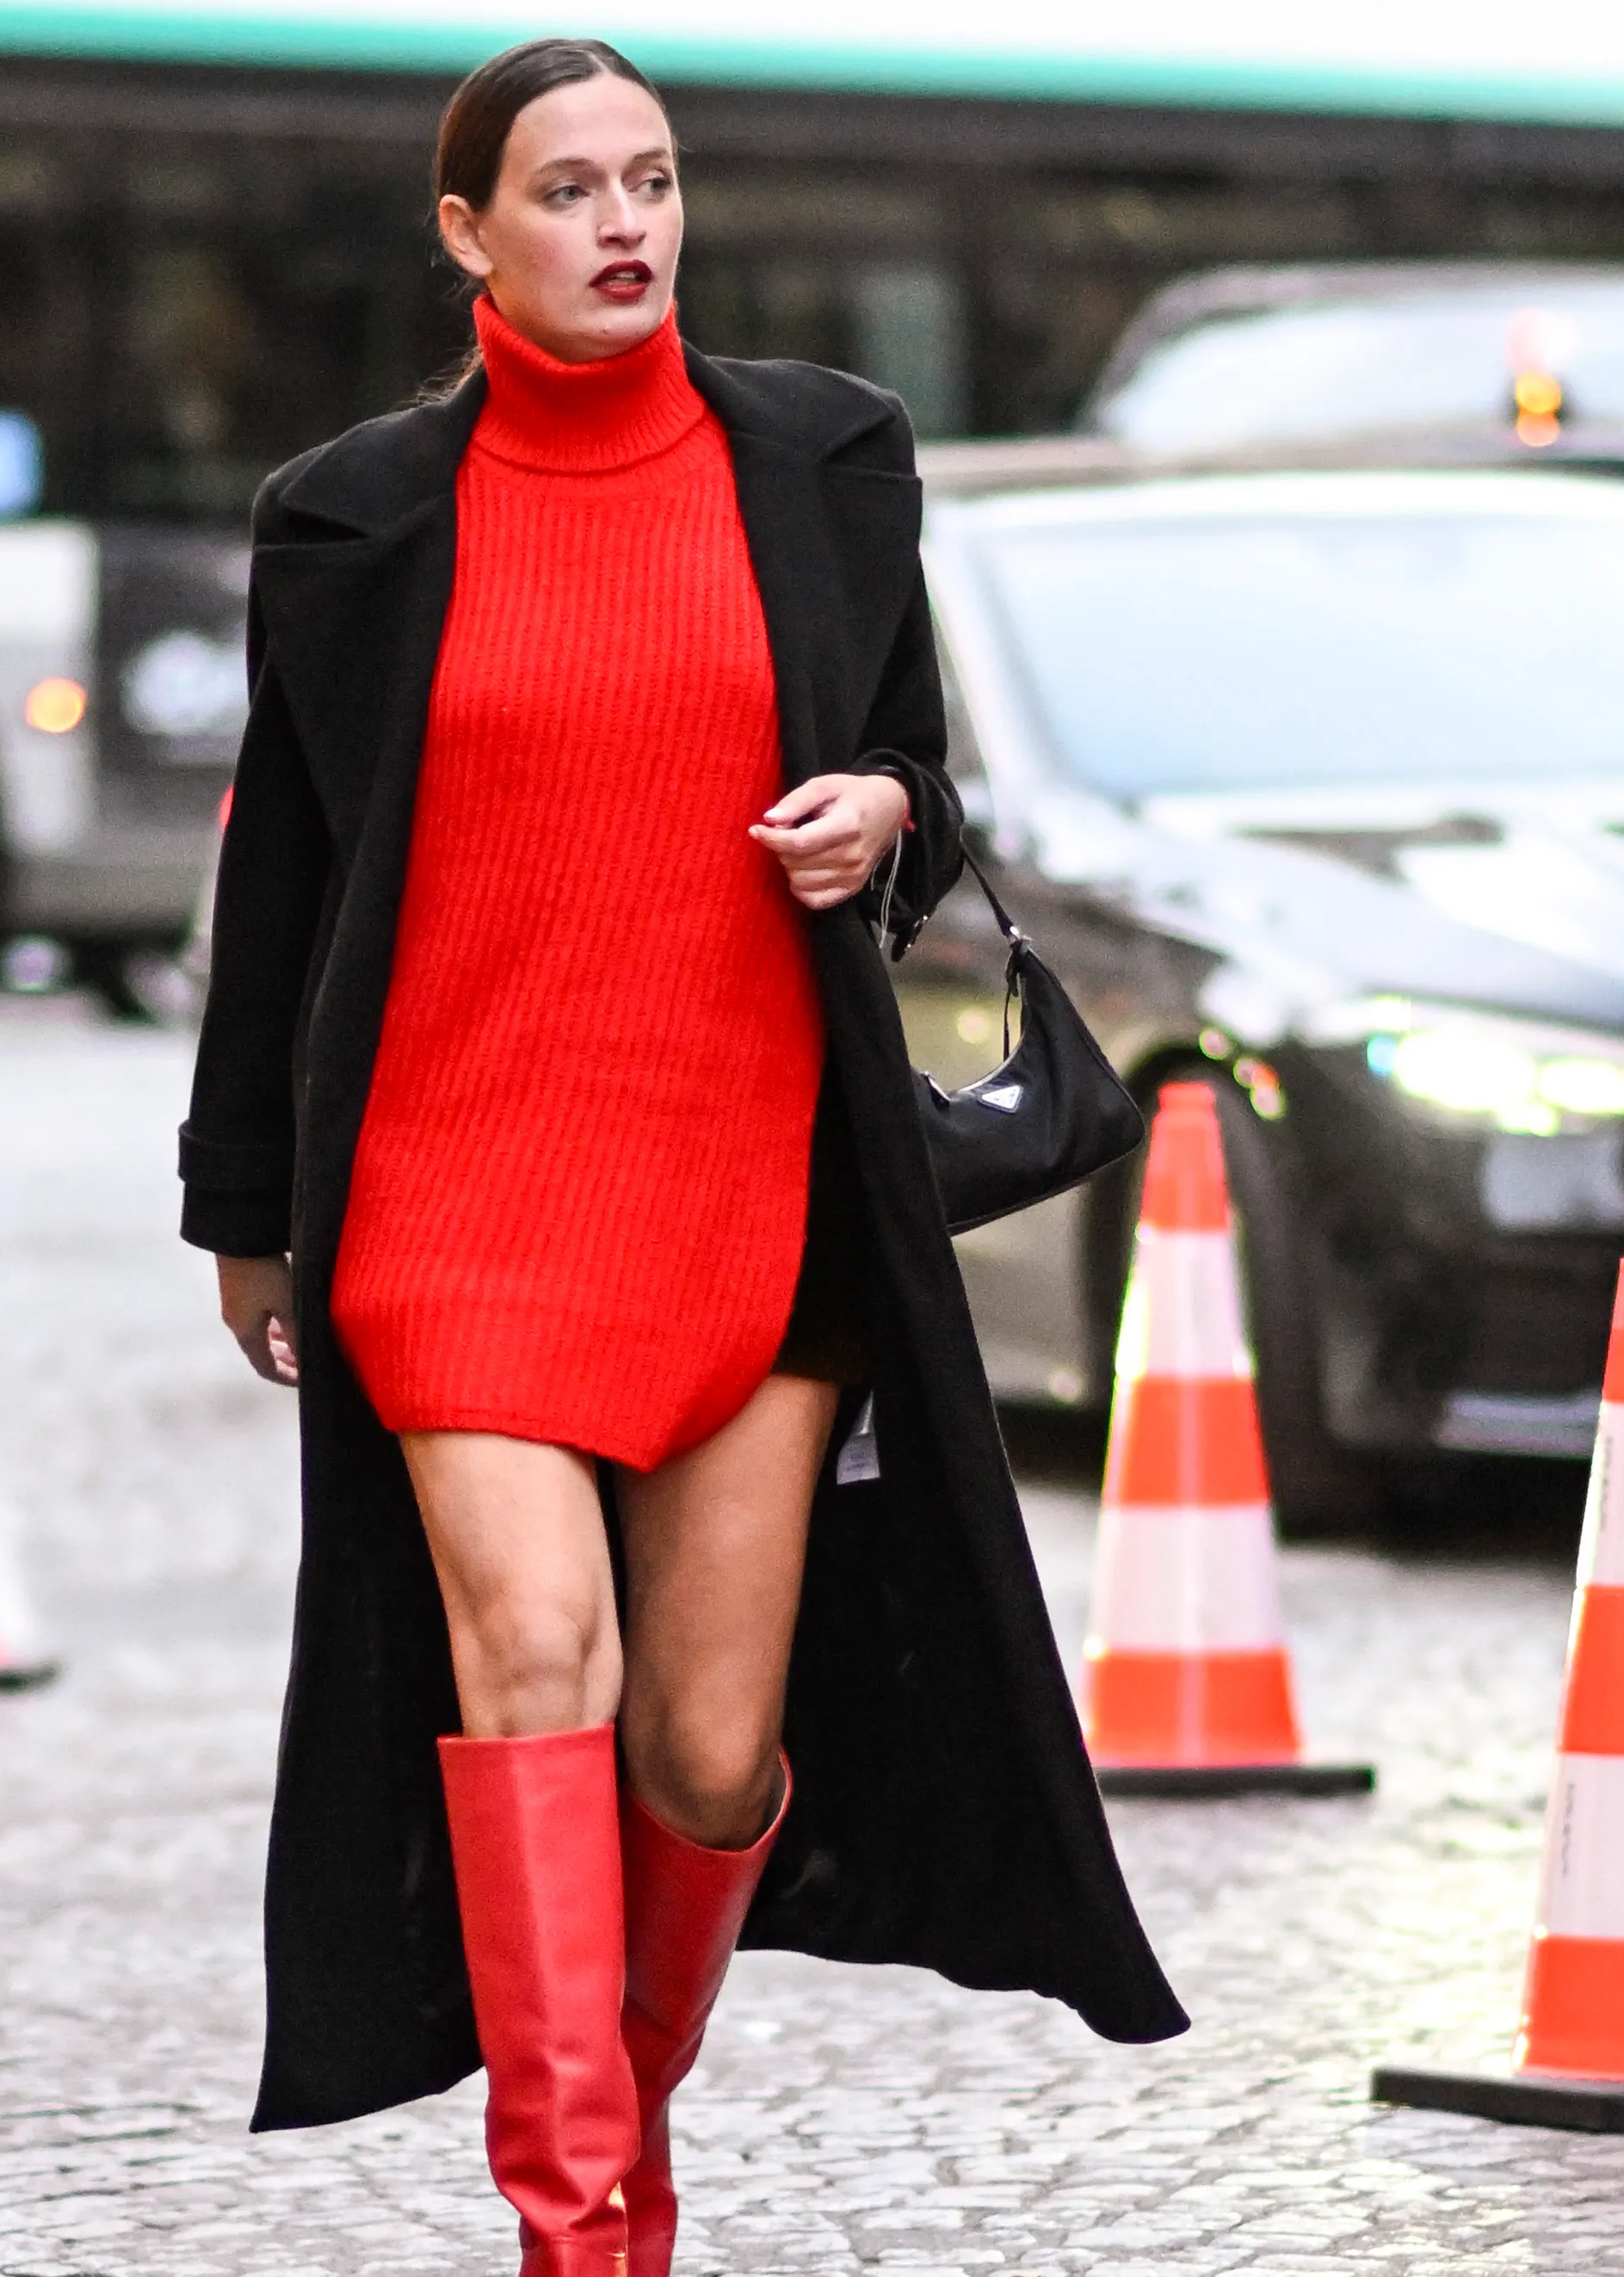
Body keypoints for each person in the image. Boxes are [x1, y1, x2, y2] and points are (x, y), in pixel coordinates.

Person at [179, 38, 1182, 2275]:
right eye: (567, 190)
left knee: (713, 1754)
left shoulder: (825, 461)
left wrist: (885, 812)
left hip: (753, 1168)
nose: (623, 224)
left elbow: (919, 774)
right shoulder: (344, 522)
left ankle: (607, 2118)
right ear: (467, 233)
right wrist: (240, 1199)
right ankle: (583, 2226)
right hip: (454, 1180)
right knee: (533, 1643)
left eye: (650, 180)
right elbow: (286, 887)